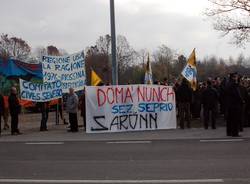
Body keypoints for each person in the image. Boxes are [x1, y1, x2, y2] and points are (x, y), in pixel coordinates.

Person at [225, 73, 243, 137]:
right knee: (235, 119)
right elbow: (237, 94)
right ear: (234, 77)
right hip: (235, 104)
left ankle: (229, 132)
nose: (237, 78)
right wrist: (241, 101)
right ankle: (235, 133)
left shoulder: (227, 84)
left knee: (229, 119)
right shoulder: (234, 85)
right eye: (236, 77)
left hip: (229, 104)